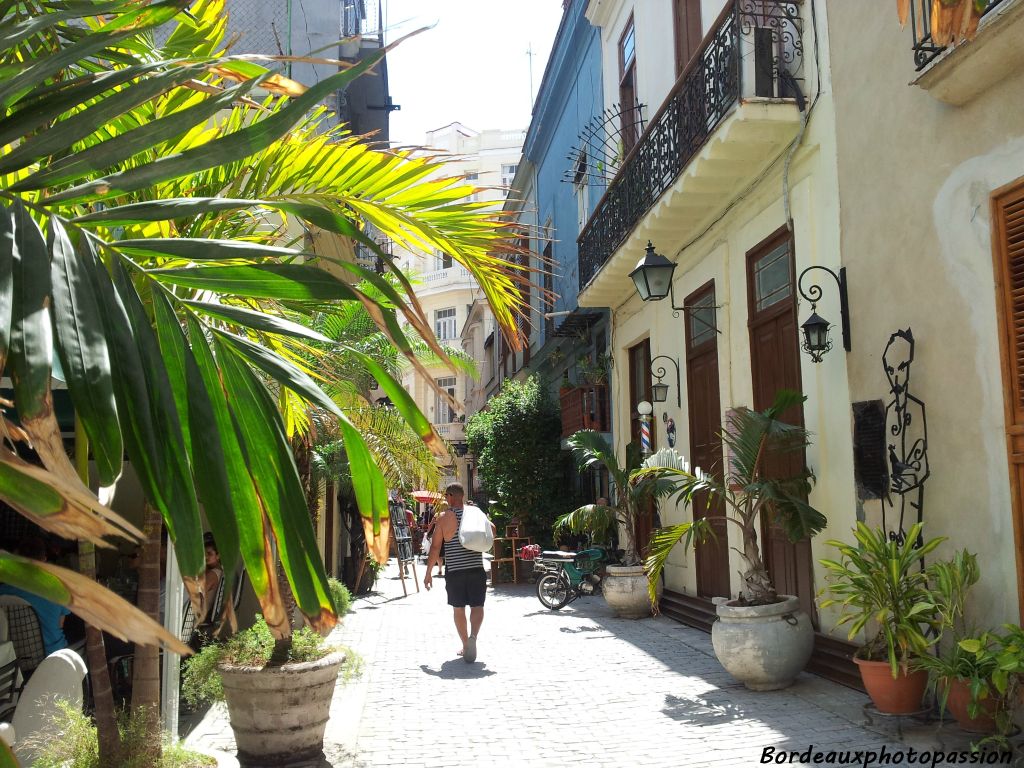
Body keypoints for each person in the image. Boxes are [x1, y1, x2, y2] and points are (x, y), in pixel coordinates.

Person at [423, 483, 495, 663]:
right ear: (462, 496)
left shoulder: (444, 518)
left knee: (458, 609)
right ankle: (473, 638)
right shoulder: (474, 513)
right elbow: (492, 529)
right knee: (477, 606)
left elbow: (435, 547)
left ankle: (465, 645)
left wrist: (428, 573)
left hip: (455, 571)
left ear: (449, 496)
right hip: (476, 569)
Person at [0, 537, 70, 655]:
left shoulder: (4, 590)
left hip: (16, 658)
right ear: (44, 559)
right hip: (53, 656)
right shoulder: (57, 588)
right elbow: (60, 624)